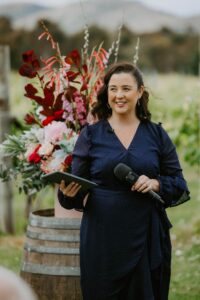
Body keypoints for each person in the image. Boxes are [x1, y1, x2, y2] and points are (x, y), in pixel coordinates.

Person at [58, 62, 190, 300]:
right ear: (106, 92)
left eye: (126, 88)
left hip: (147, 236)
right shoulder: (90, 135)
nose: (119, 95)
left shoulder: (157, 135)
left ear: (140, 92)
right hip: (102, 237)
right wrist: (68, 193)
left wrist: (155, 184)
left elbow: (180, 185)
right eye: (113, 89)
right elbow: (75, 191)